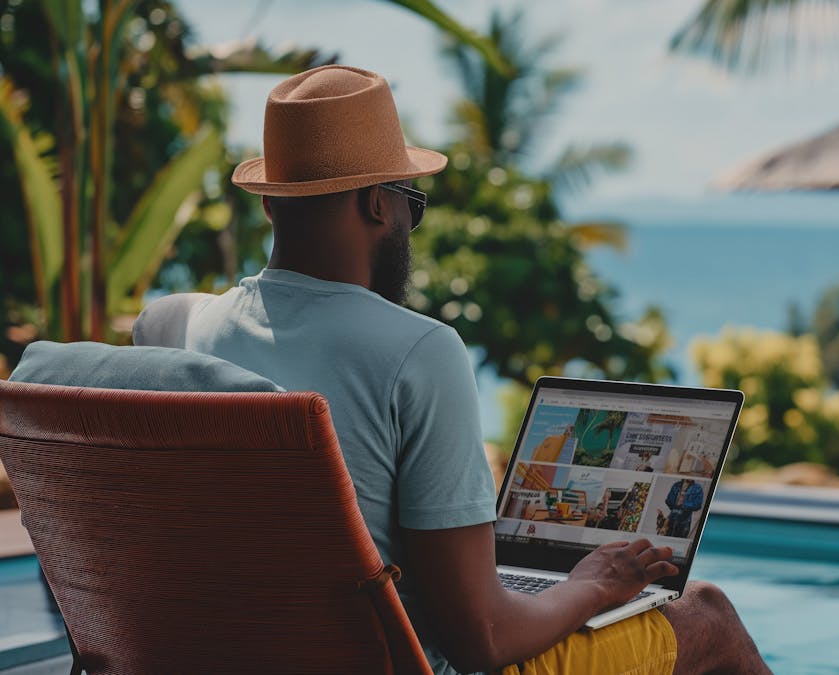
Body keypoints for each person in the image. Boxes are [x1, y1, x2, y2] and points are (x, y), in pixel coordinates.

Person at [133, 65, 770, 675]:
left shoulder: (176, 332)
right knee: (707, 615)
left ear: (273, 205)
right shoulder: (418, 352)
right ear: (381, 204)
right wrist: (594, 585)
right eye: (412, 201)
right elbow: (481, 641)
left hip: (229, 659)